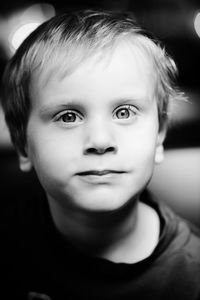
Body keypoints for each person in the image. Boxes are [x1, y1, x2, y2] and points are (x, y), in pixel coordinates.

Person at [1, 9, 200, 300]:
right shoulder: (10, 248)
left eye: (124, 112)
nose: (100, 141)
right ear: (22, 144)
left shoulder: (191, 277)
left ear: (159, 136)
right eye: (68, 116)